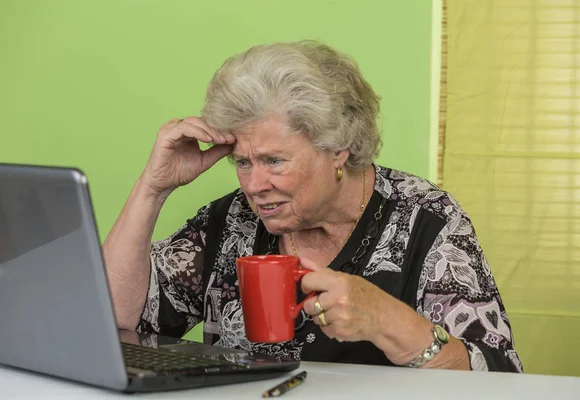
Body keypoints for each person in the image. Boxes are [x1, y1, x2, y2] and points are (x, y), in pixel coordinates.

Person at [102, 40, 523, 372]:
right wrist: (153, 188)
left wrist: (386, 319)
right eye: (243, 162)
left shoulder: (427, 221)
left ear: (338, 149)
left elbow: (498, 375)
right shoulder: (233, 221)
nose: (254, 185)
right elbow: (116, 319)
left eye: (274, 161)